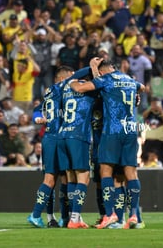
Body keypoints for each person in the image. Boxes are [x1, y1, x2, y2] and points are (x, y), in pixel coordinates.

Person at [70, 58, 145, 229]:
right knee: (130, 173)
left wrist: (72, 80)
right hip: (131, 130)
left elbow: (80, 87)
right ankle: (134, 215)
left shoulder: (105, 80)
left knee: (106, 172)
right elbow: (142, 87)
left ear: (102, 71)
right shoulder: (129, 80)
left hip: (113, 131)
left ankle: (109, 214)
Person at [27, 65, 90, 228]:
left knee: (64, 177)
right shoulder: (63, 86)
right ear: (63, 78)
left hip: (54, 137)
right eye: (71, 76)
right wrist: (93, 65)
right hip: (58, 137)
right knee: (53, 179)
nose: (74, 79)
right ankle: (38, 215)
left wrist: (37, 118)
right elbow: (36, 110)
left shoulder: (52, 92)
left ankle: (65, 217)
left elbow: (36, 109)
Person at [58, 67, 97, 229]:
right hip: (78, 135)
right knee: (84, 177)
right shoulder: (89, 88)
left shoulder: (65, 87)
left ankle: (75, 216)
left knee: (71, 177)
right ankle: (74, 218)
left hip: (62, 135)